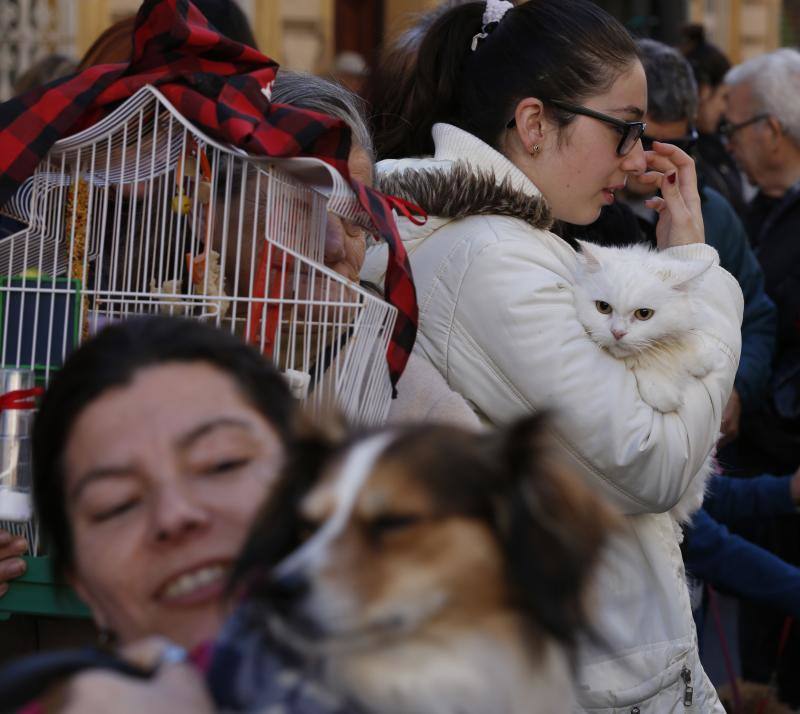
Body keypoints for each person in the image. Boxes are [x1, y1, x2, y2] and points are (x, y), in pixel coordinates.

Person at [363, 1, 743, 711]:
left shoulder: (516, 242)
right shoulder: (491, 259)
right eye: (625, 128)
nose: (637, 158)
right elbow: (648, 460)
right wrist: (700, 276)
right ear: (535, 123)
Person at [567, 38, 776, 445]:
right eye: (638, 141)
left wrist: (735, 388)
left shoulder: (712, 212)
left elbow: (758, 316)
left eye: (678, 147)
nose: (645, 164)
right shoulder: (575, 213)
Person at [722, 47, 800, 705]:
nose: (729, 144)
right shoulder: (747, 209)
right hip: (756, 459)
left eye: (736, 128)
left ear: (772, 131)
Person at [680, 24, 747, 217]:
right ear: (703, 91)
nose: (724, 108)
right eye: (723, 97)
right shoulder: (685, 149)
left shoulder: (716, 143)